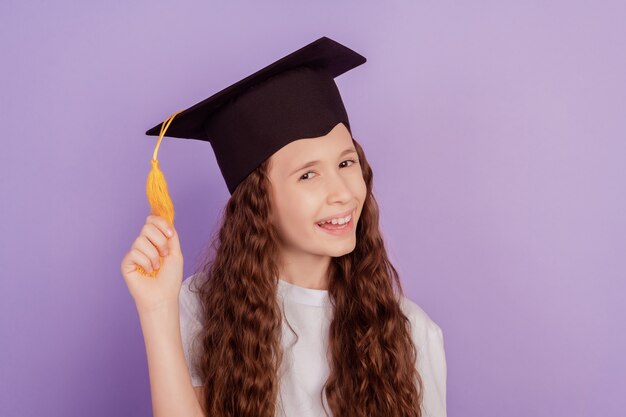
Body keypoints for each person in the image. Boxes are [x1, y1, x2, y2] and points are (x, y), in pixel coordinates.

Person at [121, 36, 447, 417]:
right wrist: (157, 309)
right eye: (308, 175)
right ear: (259, 203)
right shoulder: (203, 310)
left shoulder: (409, 333)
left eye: (346, 163)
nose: (341, 193)